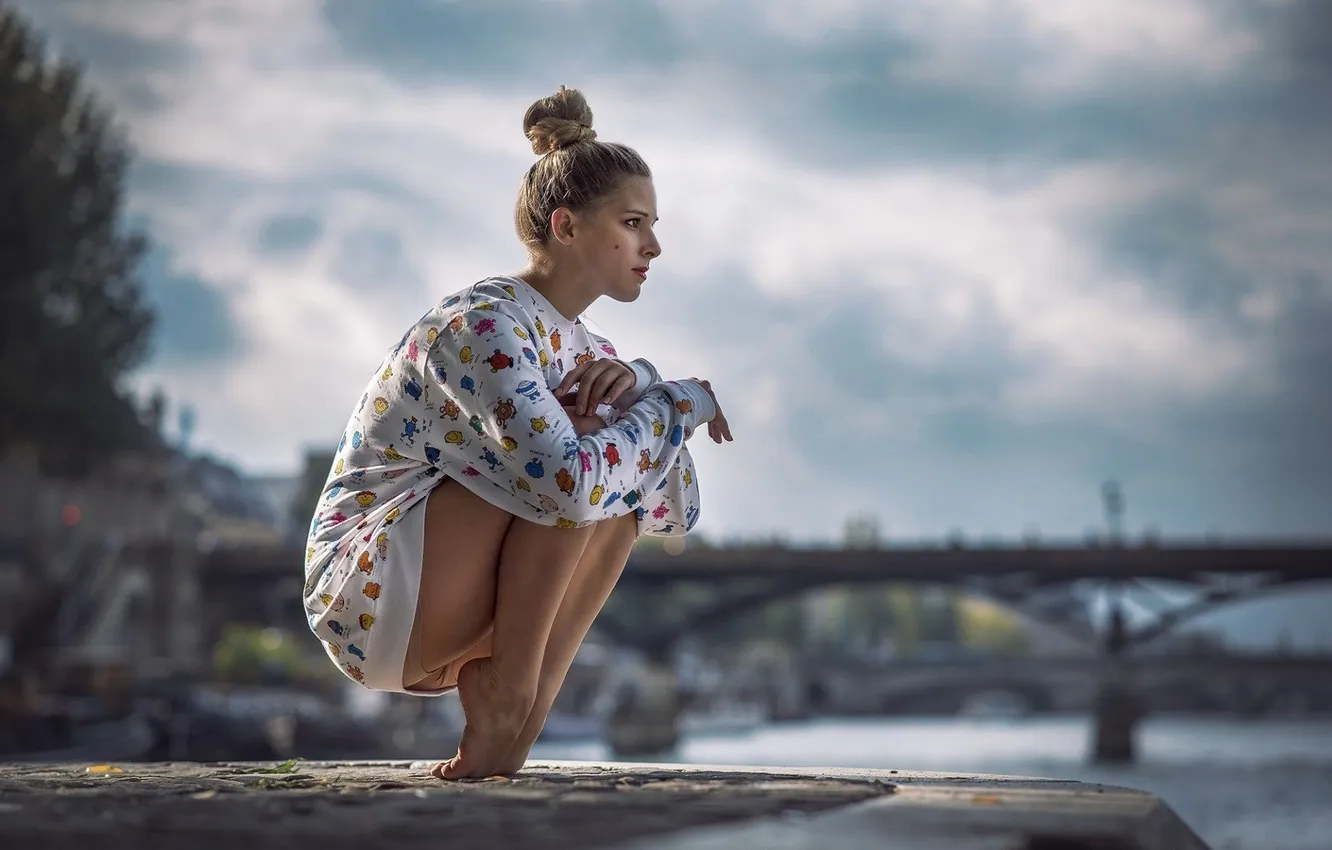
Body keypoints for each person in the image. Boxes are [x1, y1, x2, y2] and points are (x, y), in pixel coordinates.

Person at [302, 85, 733, 780]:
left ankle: (519, 715)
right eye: (633, 223)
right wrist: (679, 402)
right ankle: (509, 691)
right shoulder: (483, 325)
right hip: (368, 595)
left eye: (652, 225)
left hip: (443, 611)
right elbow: (571, 484)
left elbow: (669, 501)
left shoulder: (591, 350)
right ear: (566, 227)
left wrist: (643, 385)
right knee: (584, 448)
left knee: (609, 463)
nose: (653, 246)